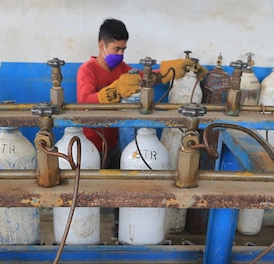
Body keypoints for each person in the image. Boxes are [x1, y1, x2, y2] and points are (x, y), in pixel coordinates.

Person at [76, 19, 190, 164]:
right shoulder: (87, 70)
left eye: (123, 49)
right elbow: (84, 101)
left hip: (114, 144)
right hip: (92, 145)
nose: (120, 54)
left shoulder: (122, 69)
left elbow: (145, 78)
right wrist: (114, 91)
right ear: (101, 45)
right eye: (116, 49)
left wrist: (171, 71)